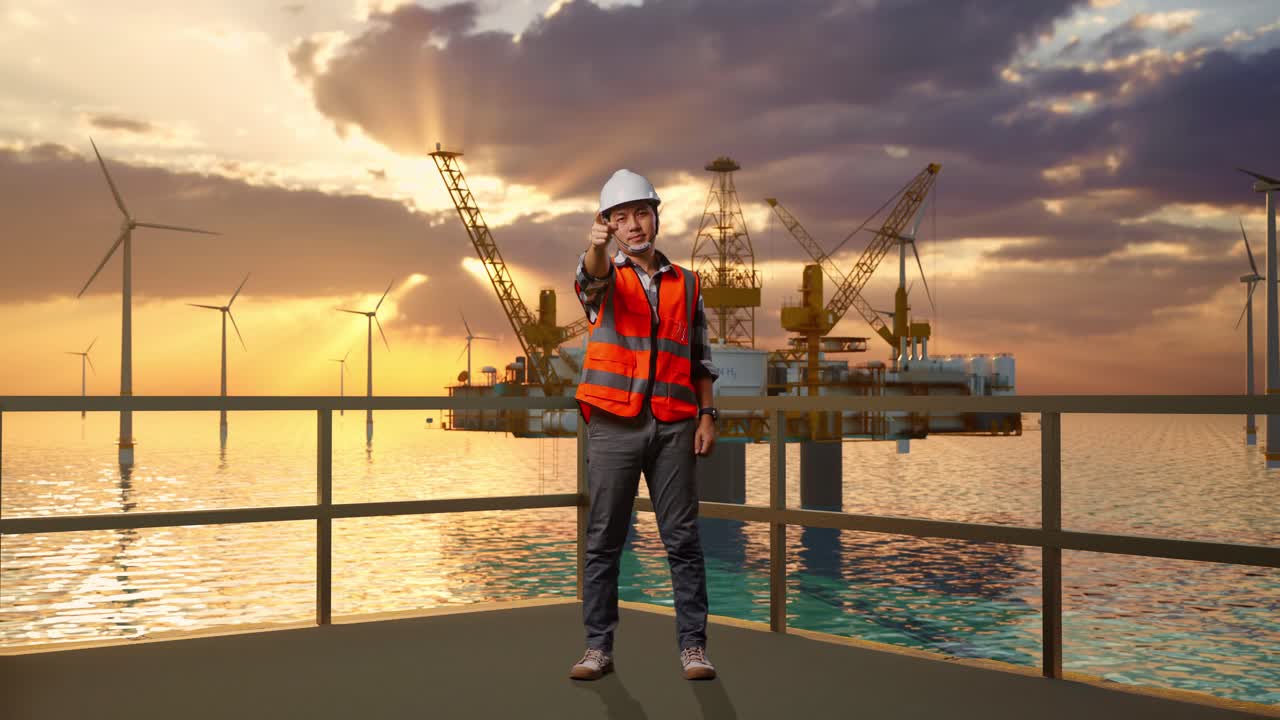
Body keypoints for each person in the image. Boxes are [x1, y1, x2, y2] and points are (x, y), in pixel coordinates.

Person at [568, 169, 721, 682]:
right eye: (619, 218)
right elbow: (590, 279)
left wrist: (707, 415)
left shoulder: (689, 283)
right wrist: (593, 249)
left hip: (675, 424)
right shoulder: (603, 276)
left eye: (640, 213)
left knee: (682, 539)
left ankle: (693, 648)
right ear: (608, 226)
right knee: (604, 539)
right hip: (614, 424)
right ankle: (597, 648)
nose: (632, 225)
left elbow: (700, 358)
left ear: (655, 215)